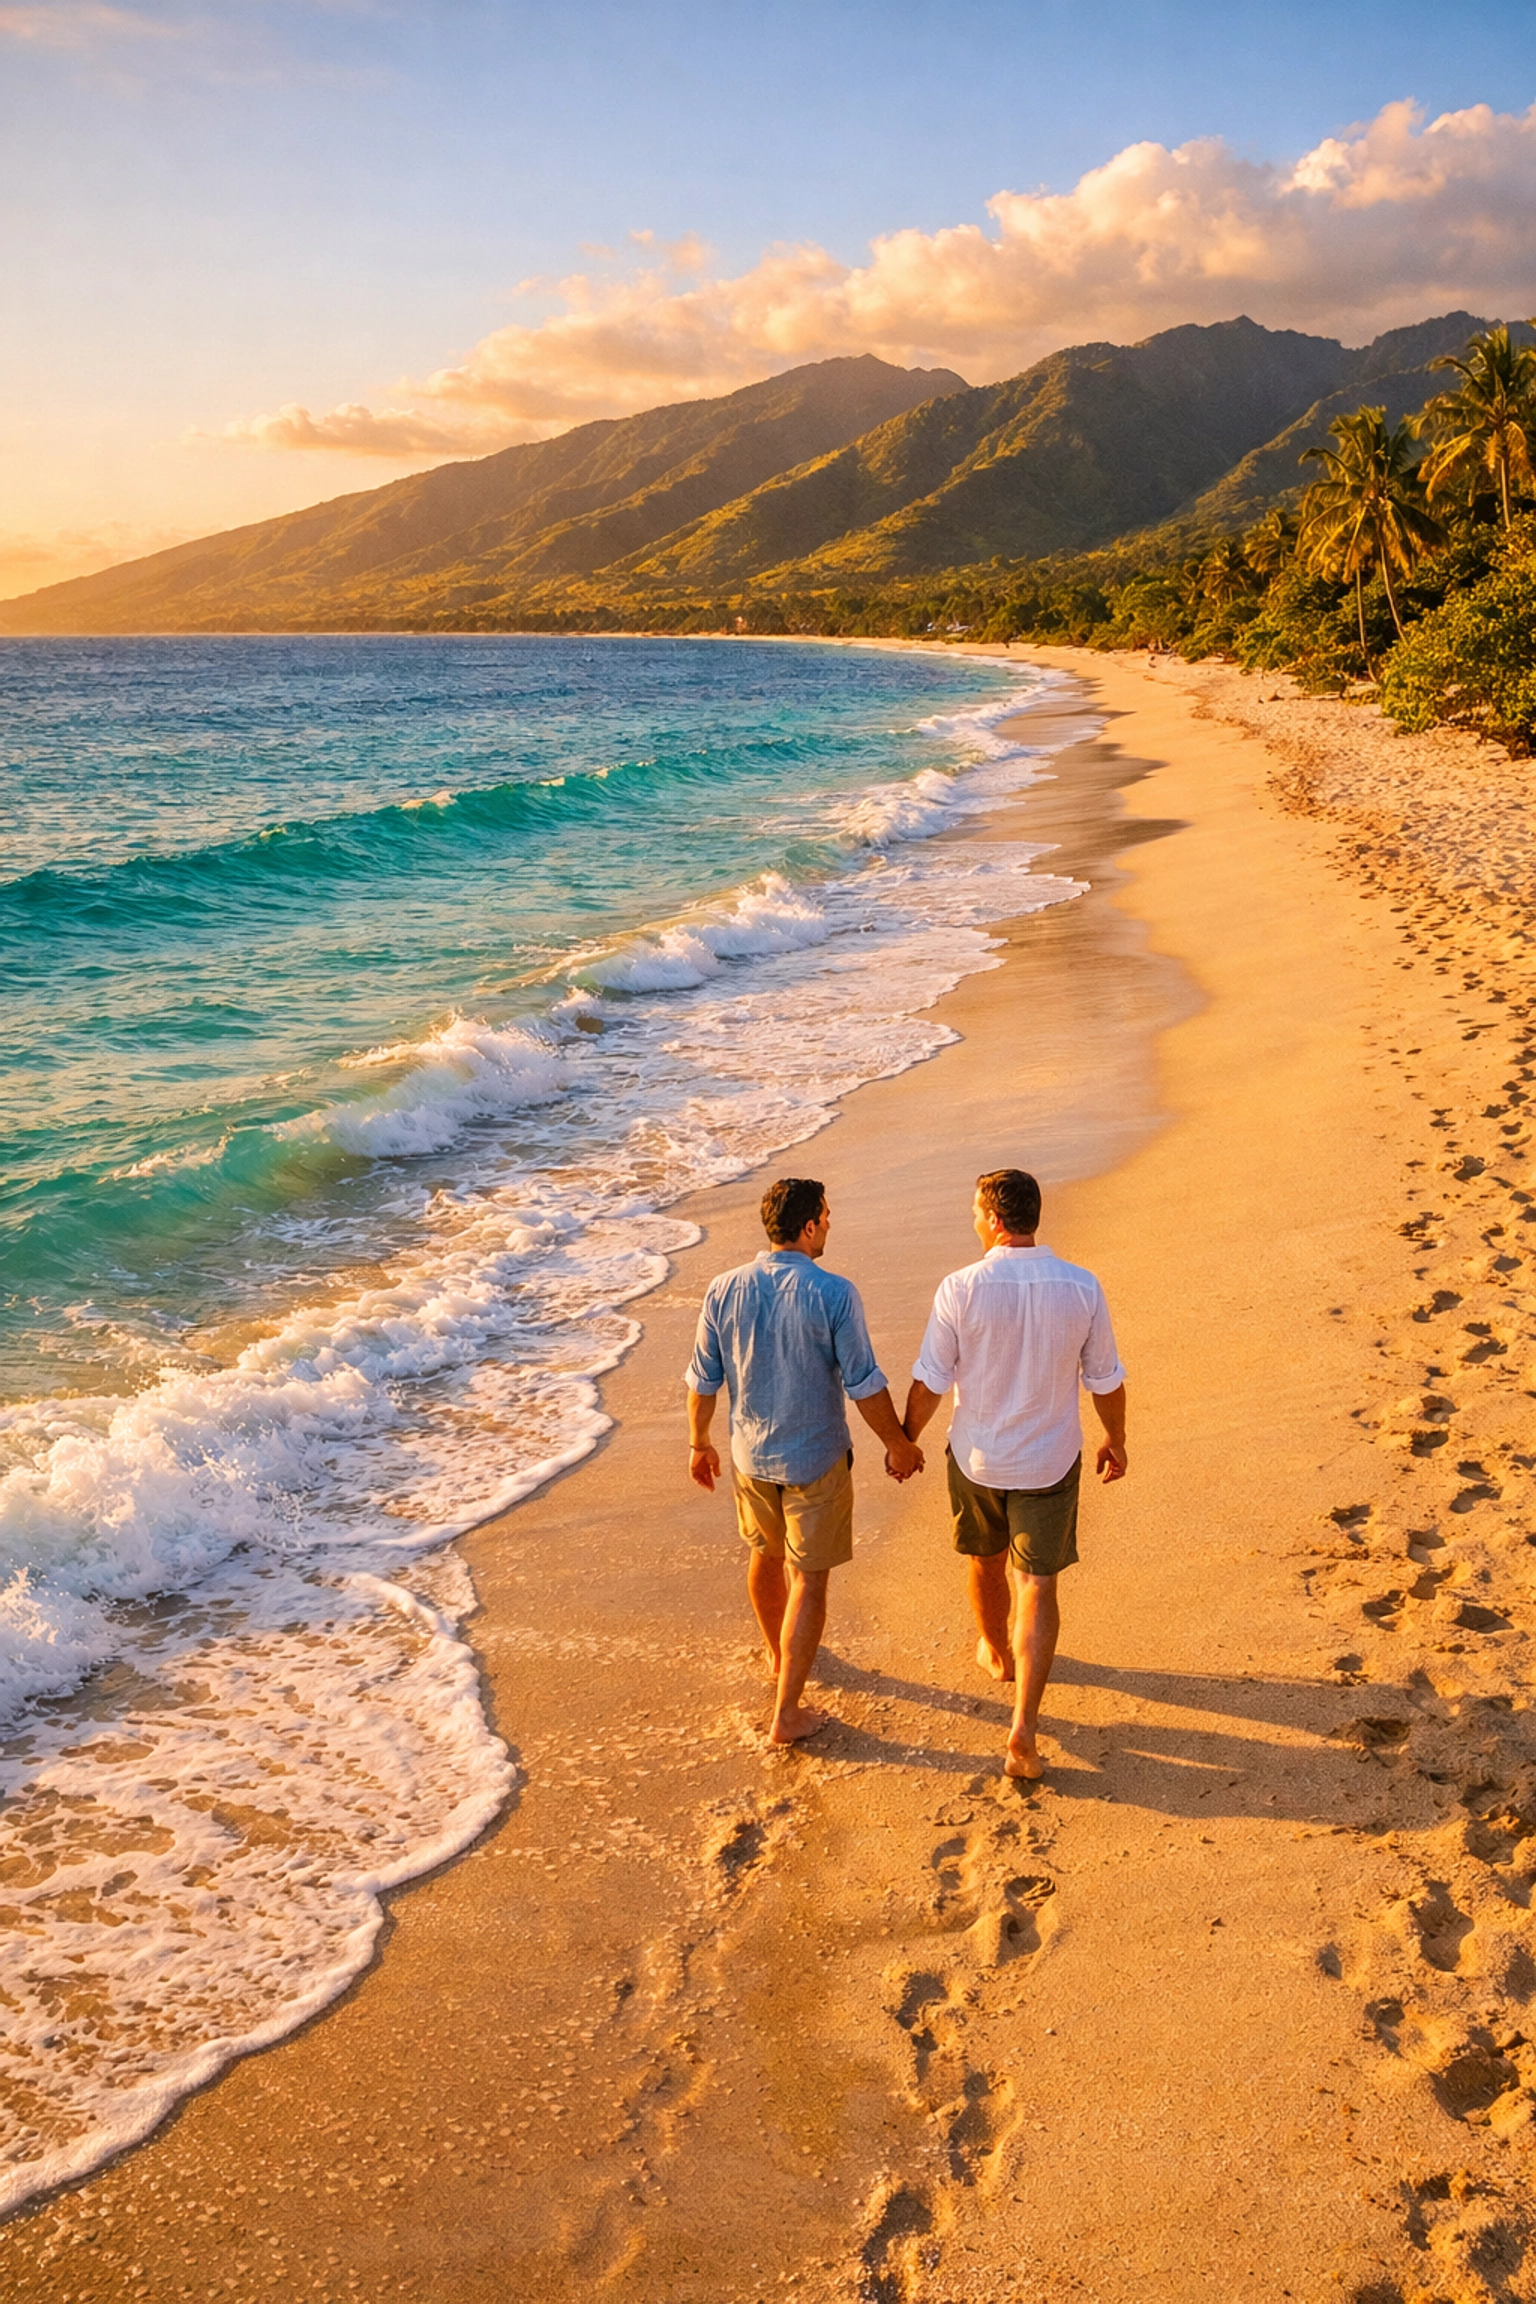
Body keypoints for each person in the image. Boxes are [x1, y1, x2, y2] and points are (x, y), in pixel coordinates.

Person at [902, 1168, 1126, 1780]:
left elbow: (930, 1380)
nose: (974, 1222)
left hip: (978, 1459)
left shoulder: (960, 1288)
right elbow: (1105, 1378)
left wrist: (903, 1442)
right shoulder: (1081, 1286)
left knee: (984, 1562)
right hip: (1050, 1460)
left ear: (995, 1220)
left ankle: (997, 1653)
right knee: (1039, 1587)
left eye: (976, 1212)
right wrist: (1117, 1438)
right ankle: (1023, 1729)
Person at [686, 1177, 923, 1744]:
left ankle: (778, 1656)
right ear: (810, 1225)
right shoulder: (834, 1292)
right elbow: (864, 1384)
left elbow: (703, 1380)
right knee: (810, 1583)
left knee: (766, 1559)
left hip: (750, 1457)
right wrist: (898, 1443)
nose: (830, 1224)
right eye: (827, 1215)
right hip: (814, 1461)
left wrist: (699, 1443)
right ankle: (787, 1712)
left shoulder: (723, 1289)